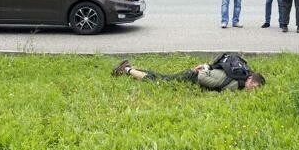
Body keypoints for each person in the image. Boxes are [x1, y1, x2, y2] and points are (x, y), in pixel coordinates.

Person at [111, 58, 266, 91]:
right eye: (254, 86)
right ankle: (126, 70)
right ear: (250, 79)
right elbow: (203, 79)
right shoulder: (234, 83)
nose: (253, 89)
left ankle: (130, 68)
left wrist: (206, 66)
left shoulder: (240, 73)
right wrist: (203, 71)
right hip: (192, 76)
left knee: (161, 76)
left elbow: (217, 69)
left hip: (199, 72)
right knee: (158, 81)